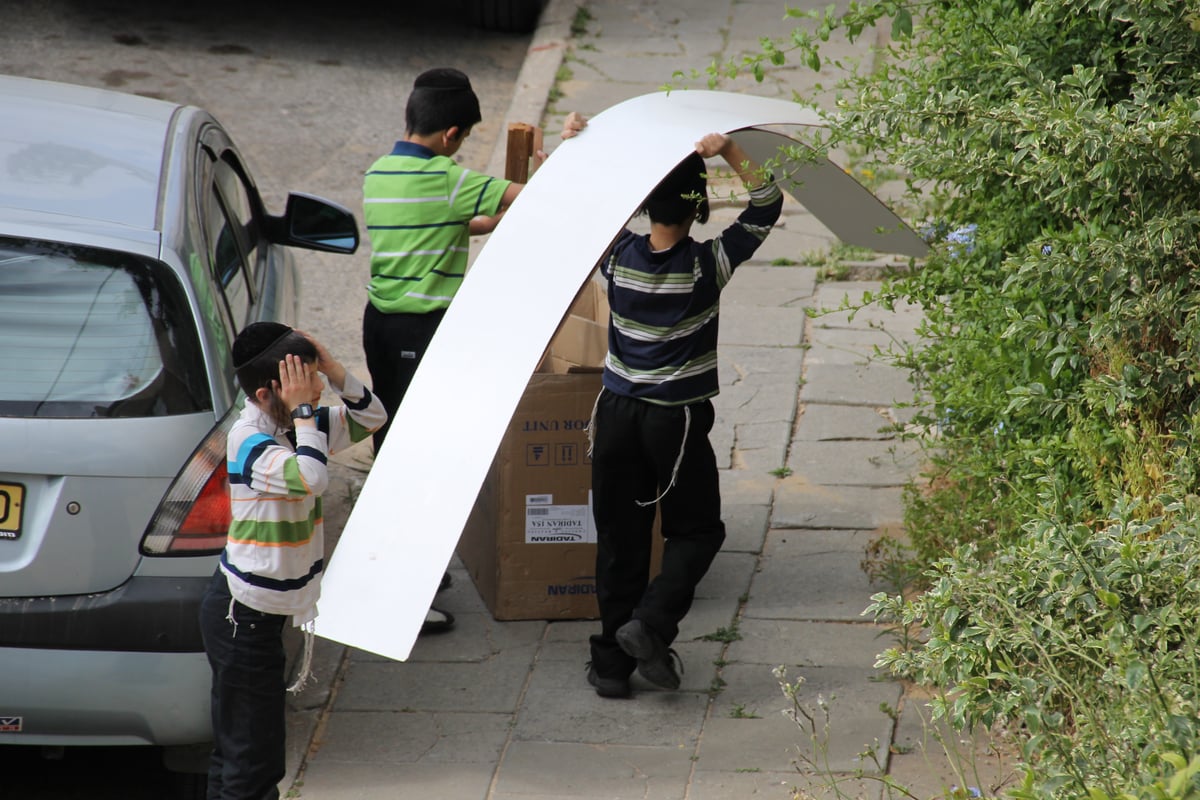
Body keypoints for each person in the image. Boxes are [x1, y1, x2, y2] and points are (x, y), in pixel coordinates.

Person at [561, 113, 785, 698]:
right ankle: (652, 625)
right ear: (698, 209)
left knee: (620, 539)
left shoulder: (616, 257)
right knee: (696, 530)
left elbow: (574, 201)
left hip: (613, 415)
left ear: (645, 205)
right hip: (674, 421)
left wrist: (579, 143)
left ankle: (610, 667)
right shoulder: (706, 266)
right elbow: (766, 205)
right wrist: (730, 149)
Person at [361, 67, 538, 634]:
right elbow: (535, 196)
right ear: (452, 135)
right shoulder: (446, 178)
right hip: (421, 330)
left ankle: (411, 569)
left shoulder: (379, 173)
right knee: (419, 457)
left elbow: (453, 221)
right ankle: (400, 591)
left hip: (382, 326)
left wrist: (488, 219)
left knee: (391, 439)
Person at [199, 322, 386, 800]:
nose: (318, 391)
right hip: (243, 619)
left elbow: (372, 418)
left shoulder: (292, 427)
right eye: (306, 384)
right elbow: (311, 478)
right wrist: (306, 411)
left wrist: (332, 367)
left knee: (245, 754)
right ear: (268, 393)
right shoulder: (249, 440)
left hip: (258, 616)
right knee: (251, 765)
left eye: (316, 380)